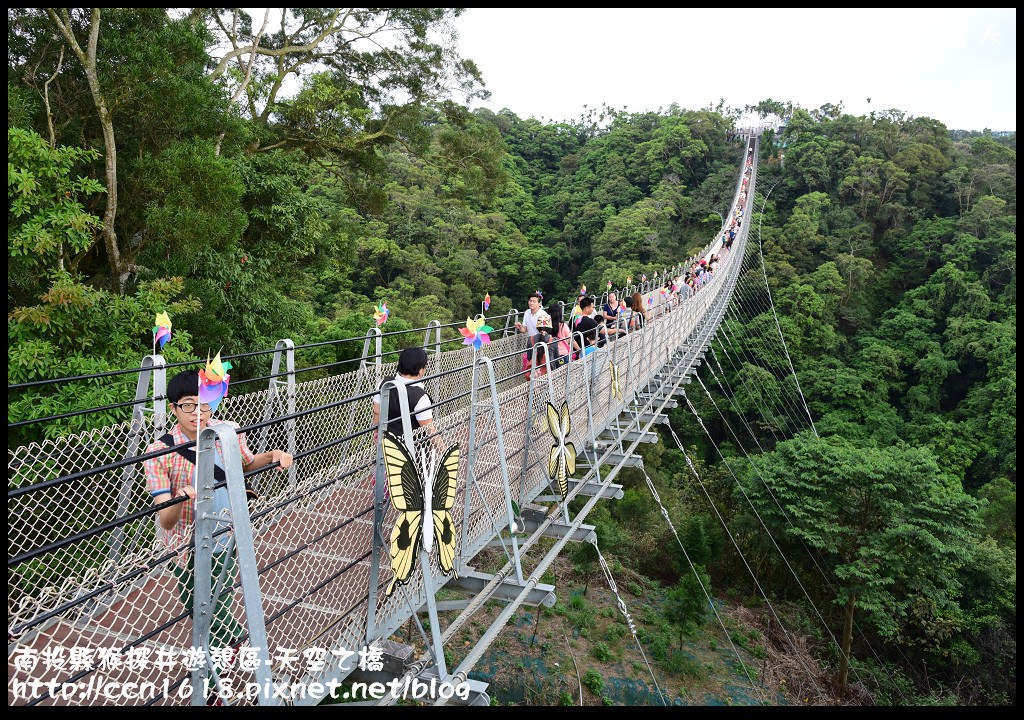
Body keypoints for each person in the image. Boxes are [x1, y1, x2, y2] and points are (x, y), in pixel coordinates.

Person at [144, 369, 294, 653]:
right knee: (193, 604)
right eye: (188, 404)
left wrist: (273, 456)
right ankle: (235, 639)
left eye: (204, 404)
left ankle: (215, 670)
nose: (197, 412)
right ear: (174, 408)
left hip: (225, 529)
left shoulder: (227, 431)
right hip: (184, 541)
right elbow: (165, 521)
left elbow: (247, 464)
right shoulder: (159, 452)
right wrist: (179, 499)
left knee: (214, 601)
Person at [372, 347, 437, 441]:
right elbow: (429, 430)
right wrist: (445, 450)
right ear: (420, 370)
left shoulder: (384, 383)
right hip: (414, 450)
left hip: (387, 444)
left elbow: (377, 412)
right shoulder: (420, 397)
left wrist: (376, 431)